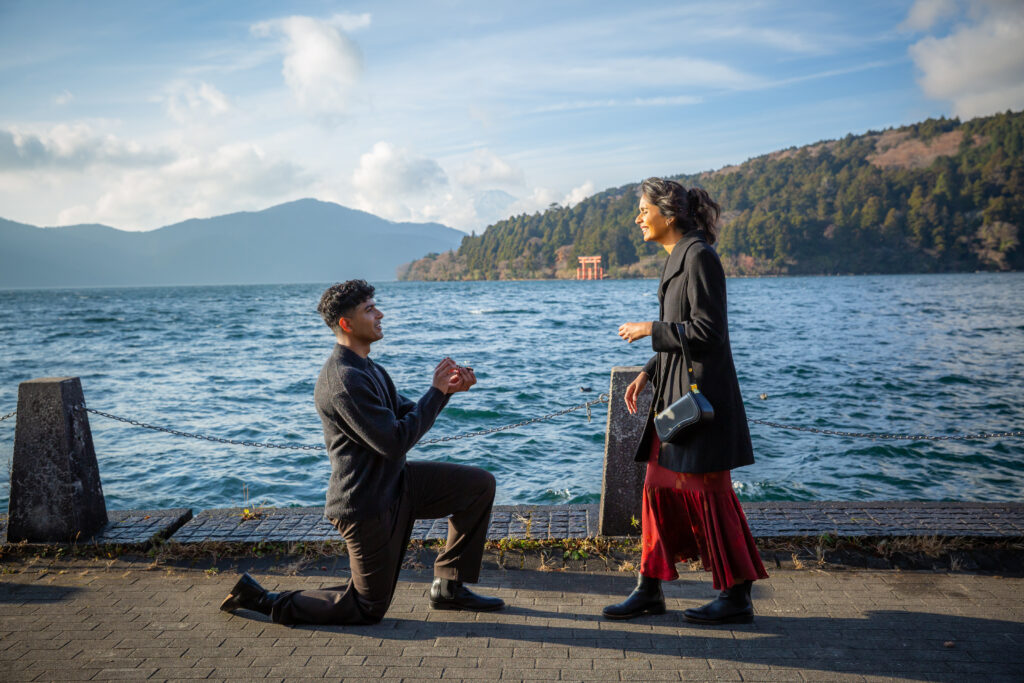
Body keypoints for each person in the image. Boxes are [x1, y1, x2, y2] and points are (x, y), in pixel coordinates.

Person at [220, 279, 504, 624]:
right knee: (365, 607)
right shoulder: (344, 380)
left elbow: (405, 416)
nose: (380, 313)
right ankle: (263, 599)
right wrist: (437, 392)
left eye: (375, 305)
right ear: (346, 323)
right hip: (366, 504)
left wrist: (446, 391)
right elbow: (394, 441)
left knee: (477, 486)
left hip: (397, 484)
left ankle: (449, 588)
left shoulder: (368, 368)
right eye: (369, 309)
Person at [604, 177, 768, 625]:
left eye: (642, 209)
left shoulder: (698, 257)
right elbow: (682, 333)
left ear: (668, 214)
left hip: (703, 405)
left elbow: (708, 334)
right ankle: (649, 588)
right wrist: (647, 370)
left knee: (712, 496)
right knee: (656, 487)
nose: (637, 217)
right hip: (677, 398)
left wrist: (647, 330)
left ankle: (737, 596)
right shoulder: (679, 257)